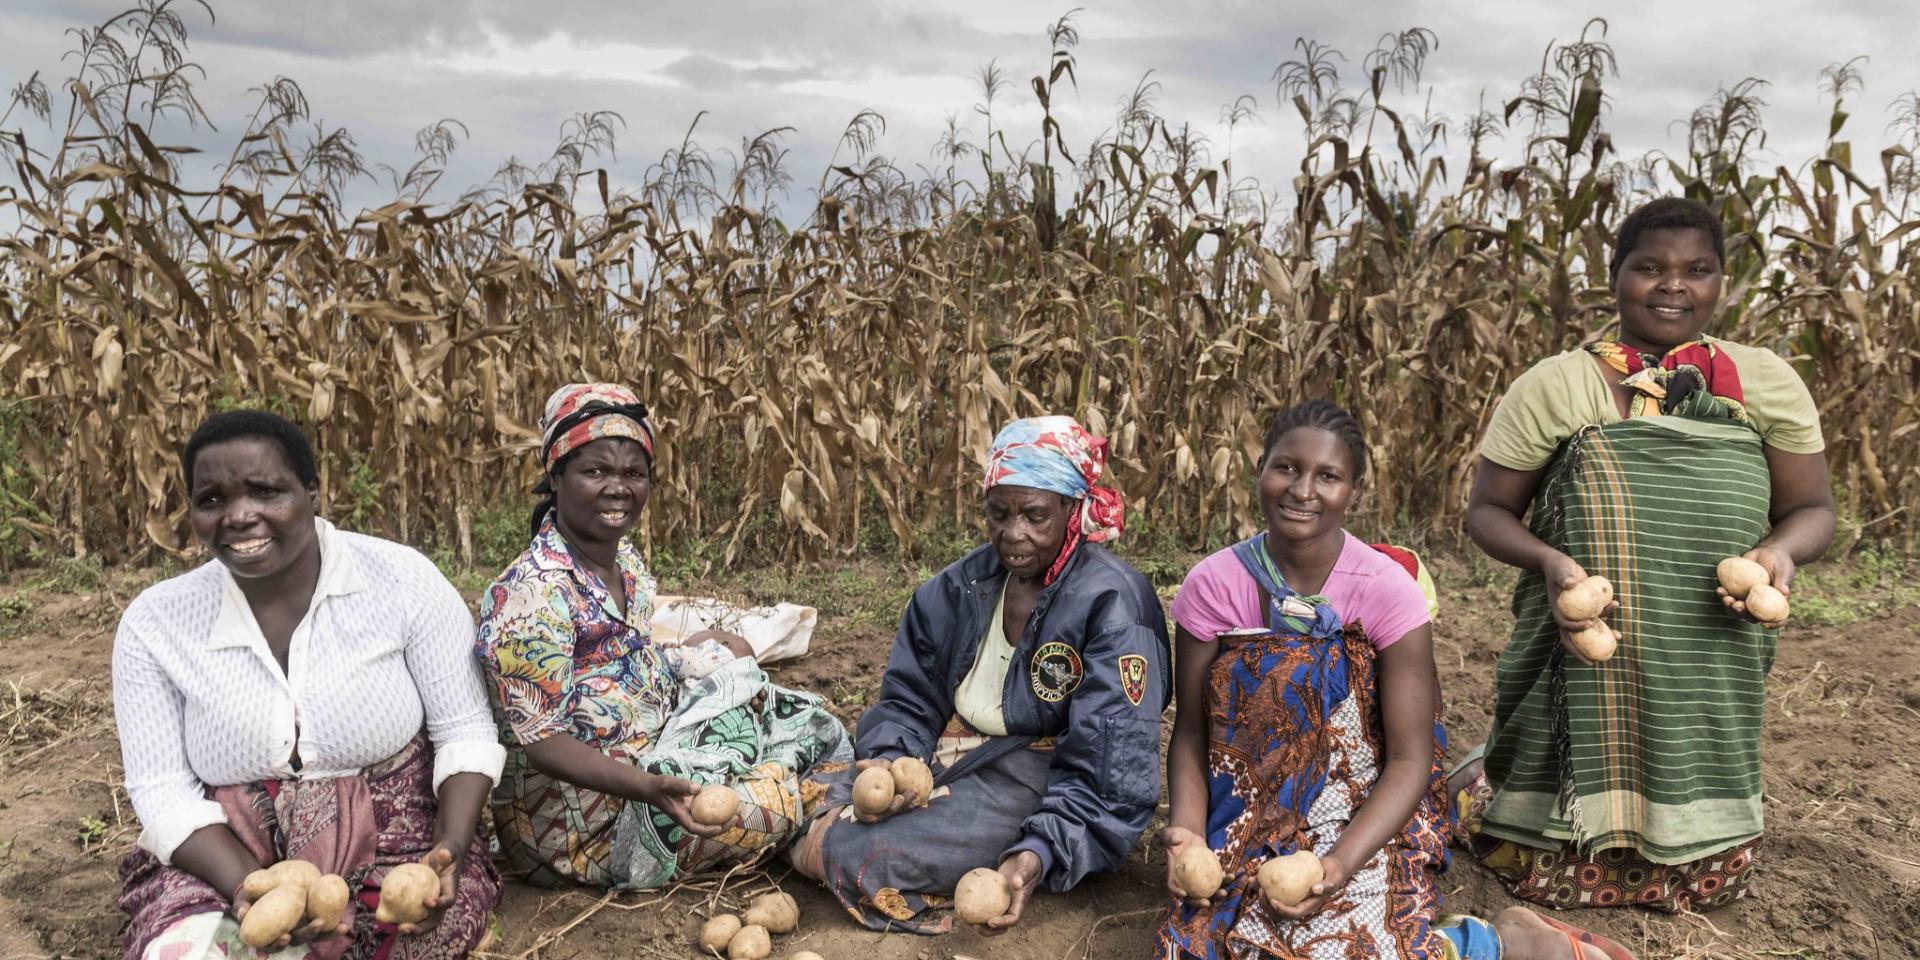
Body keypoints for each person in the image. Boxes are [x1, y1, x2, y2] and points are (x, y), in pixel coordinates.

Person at [1459, 196, 1836, 914]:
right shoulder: (1558, 385)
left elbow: (1813, 509)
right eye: (1650, 268)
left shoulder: (1766, 382)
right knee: (1532, 848)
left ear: (1721, 283)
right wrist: (1550, 564)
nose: (1673, 285)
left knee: (1706, 817)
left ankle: (1698, 849)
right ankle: (1527, 820)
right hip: (1583, 645)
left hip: (1711, 650)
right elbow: (1488, 512)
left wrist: (1779, 553)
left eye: (1697, 270)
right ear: (1615, 277)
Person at [1157, 400, 1625, 960]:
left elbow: (1410, 759)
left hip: (1363, 812)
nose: (1302, 490)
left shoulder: (1384, 590)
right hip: (1245, 814)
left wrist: (1338, 864)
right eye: (1287, 468)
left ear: (1353, 491)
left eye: (1327, 476)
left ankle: (1495, 943)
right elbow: (1191, 734)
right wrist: (1188, 836)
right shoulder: (1213, 585)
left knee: (1345, 948)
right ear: (1260, 469)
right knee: (1205, 948)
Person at [113, 410, 506, 959]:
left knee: (417, 936)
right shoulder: (156, 623)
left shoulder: (402, 580)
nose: (239, 516)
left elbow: (464, 731)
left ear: (313, 492)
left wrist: (450, 848)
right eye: (212, 500)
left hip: (396, 840)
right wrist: (254, 890)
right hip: (226, 853)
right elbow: (162, 792)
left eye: (266, 491)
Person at [788, 415, 1170, 934]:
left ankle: (840, 846)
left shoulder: (1113, 604)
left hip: (1041, 778)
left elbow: (1111, 767)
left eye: (1035, 515)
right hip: (951, 754)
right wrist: (894, 761)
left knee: (858, 850)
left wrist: (1041, 848)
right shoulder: (958, 588)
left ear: (1072, 509)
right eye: (999, 514)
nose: (1014, 534)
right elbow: (910, 698)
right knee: (803, 796)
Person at [474, 383, 850, 890]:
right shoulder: (531, 594)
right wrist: (648, 786)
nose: (618, 488)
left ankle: (769, 778)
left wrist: (690, 660)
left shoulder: (624, 563)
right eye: (596, 471)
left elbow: (627, 658)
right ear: (556, 476)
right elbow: (545, 742)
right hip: (580, 828)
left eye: (633, 474)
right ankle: (795, 803)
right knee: (775, 806)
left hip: (654, 756)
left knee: (799, 715)